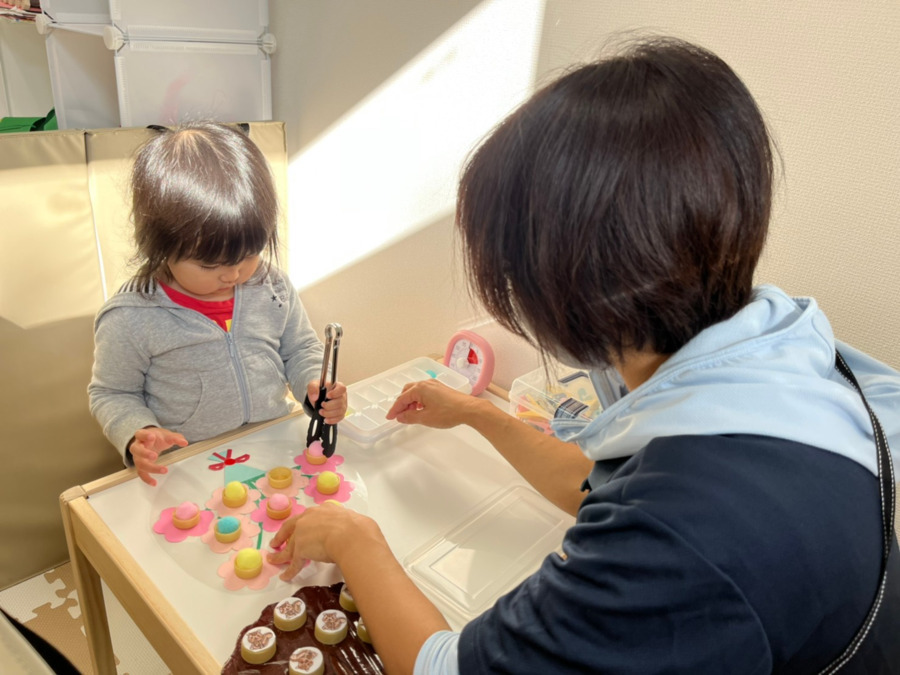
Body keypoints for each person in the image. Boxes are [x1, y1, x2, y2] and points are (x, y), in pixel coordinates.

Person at [267, 37, 900, 673]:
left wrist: (357, 541)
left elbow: (444, 667)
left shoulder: (678, 537)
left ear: (569, 285)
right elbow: (598, 485)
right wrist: (477, 414)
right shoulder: (784, 360)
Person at [89, 122, 347, 486]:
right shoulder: (131, 317)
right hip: (189, 466)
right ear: (160, 247)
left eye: (249, 254)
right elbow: (112, 392)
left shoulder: (271, 285)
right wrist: (138, 432)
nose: (234, 274)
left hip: (272, 444)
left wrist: (314, 384)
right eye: (211, 265)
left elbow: (300, 347)